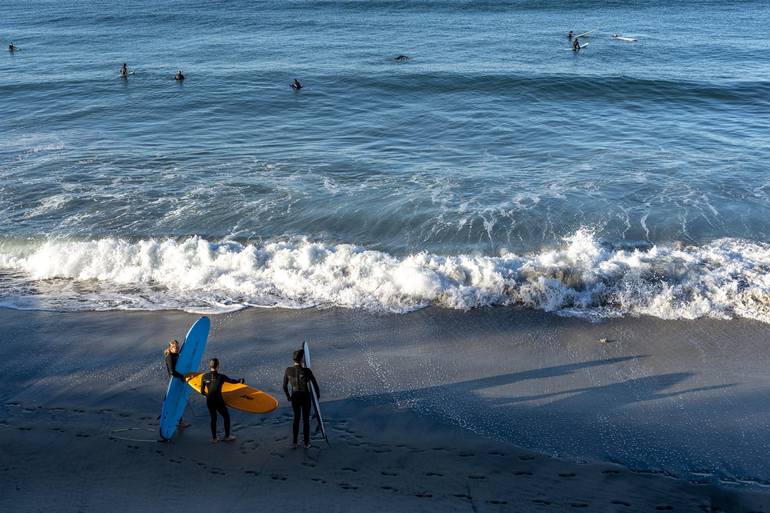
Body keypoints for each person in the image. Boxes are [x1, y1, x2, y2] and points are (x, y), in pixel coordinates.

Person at [282, 349, 320, 449]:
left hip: (295, 397)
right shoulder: (307, 371)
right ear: (302, 359)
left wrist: (288, 397)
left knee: (296, 418)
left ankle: (295, 442)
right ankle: (306, 443)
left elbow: (284, 386)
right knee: (306, 420)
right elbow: (316, 387)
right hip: (305, 397)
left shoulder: (288, 370)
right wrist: (317, 399)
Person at [200, 358, 243, 442]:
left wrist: (207, 395)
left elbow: (202, 391)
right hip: (218, 400)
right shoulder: (221, 377)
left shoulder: (204, 376)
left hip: (209, 400)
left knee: (213, 418)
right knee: (226, 416)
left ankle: (214, 438)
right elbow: (232, 381)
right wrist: (240, 381)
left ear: (210, 366)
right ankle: (227, 436)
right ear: (218, 366)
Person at [163, 339, 189, 428]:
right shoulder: (169, 357)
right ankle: (178, 421)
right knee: (176, 401)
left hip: (177, 380)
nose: (177, 349)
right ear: (170, 348)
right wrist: (182, 377)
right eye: (174, 347)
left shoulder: (175, 355)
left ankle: (179, 420)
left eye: (177, 347)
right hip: (174, 381)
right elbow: (172, 372)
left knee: (177, 400)